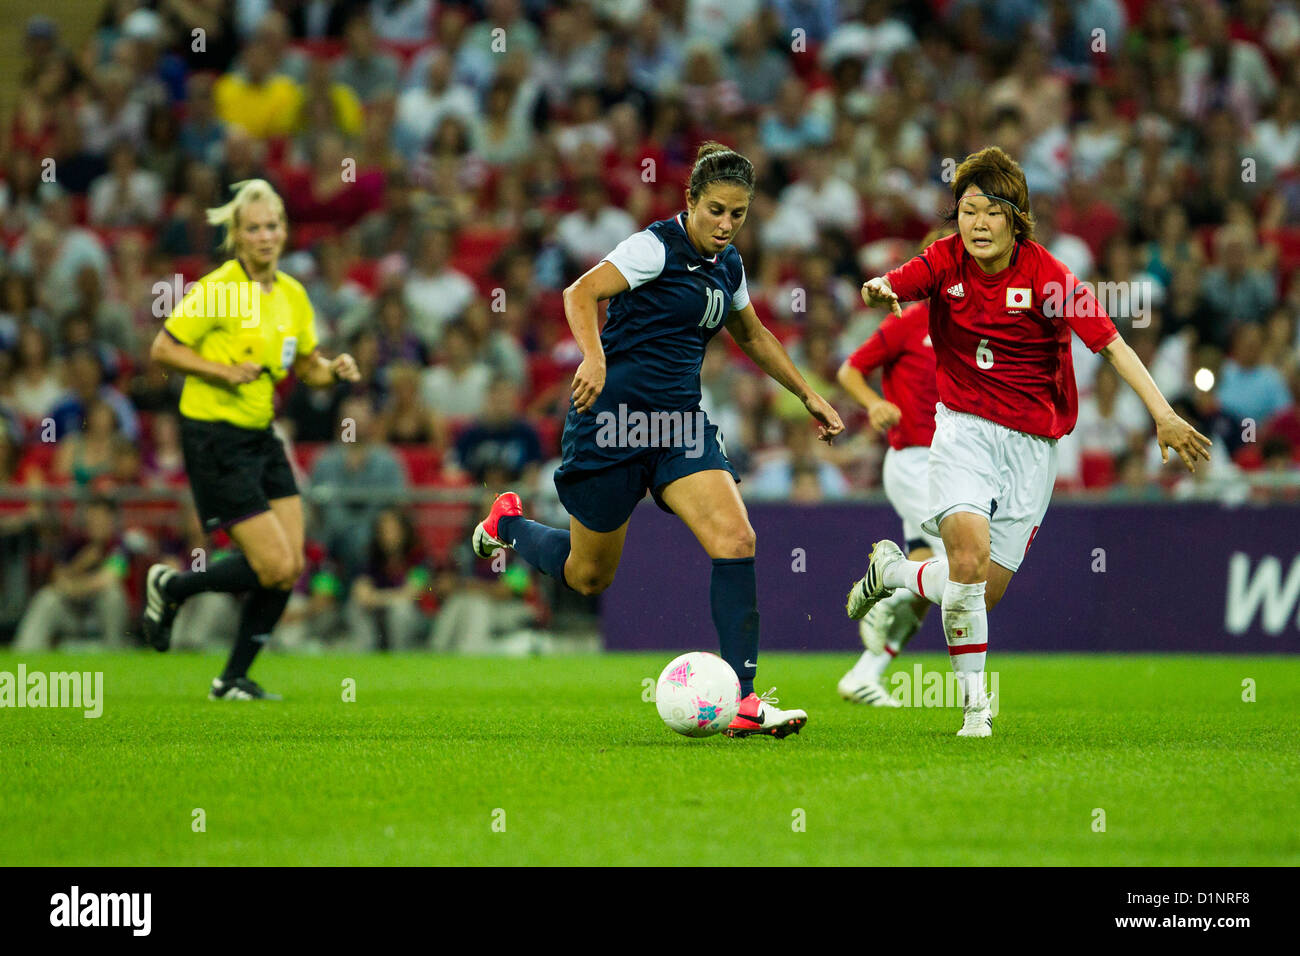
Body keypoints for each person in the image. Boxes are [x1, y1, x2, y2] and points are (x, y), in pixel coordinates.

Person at [470, 142, 845, 738]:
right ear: (690, 201)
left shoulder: (729, 266)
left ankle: (745, 700)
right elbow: (579, 293)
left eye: (738, 215)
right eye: (716, 211)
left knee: (736, 537)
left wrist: (807, 393)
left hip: (677, 426)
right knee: (589, 576)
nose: (726, 225)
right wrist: (593, 357)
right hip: (610, 424)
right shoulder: (652, 248)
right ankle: (507, 525)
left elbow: (750, 332)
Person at [849, 146, 1210, 737]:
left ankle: (893, 573)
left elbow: (1112, 344)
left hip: (1032, 448)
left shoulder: (1049, 277)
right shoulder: (943, 262)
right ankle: (975, 713)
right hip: (962, 430)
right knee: (964, 564)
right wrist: (877, 291)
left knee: (977, 594)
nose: (978, 224)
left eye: (992, 211)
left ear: (1017, 219)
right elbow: (891, 283)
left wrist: (1163, 415)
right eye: (968, 211)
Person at [141, 179, 361, 701]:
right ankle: (172, 587)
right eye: (255, 228)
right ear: (236, 237)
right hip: (213, 437)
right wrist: (220, 371)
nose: (266, 236)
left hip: (261, 435)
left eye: (274, 226)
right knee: (275, 564)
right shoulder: (217, 289)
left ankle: (231, 678)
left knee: (289, 569)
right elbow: (163, 350)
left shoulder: (292, 294)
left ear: (284, 232)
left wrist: (335, 370)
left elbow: (307, 366)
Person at [835, 227, 952, 707]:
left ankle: (865, 674)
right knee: (962, 569)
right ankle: (884, 580)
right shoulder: (910, 320)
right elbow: (849, 369)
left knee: (927, 580)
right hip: (913, 461)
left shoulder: (970, 331)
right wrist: (874, 404)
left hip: (949, 466)